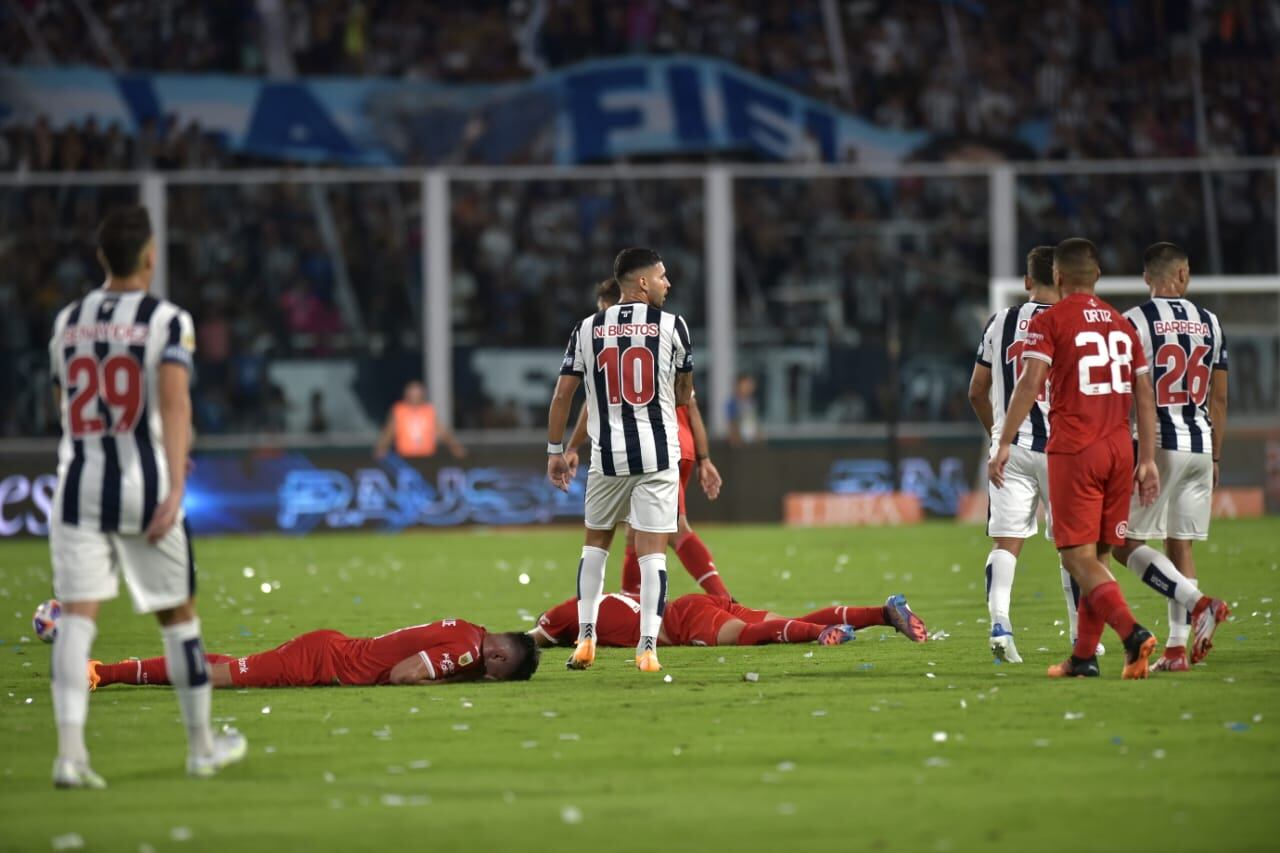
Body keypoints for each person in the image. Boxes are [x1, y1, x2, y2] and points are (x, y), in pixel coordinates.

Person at [46, 206, 245, 789]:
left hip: (77, 483)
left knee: (77, 620)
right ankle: (202, 747)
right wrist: (177, 482)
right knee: (178, 619)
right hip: (145, 487)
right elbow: (176, 402)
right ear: (151, 256)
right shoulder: (165, 319)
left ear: (102, 257)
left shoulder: (66, 321)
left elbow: (63, 402)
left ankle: (69, 755)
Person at [990, 237, 1158, 679]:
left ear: (1058, 277)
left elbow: (1029, 383)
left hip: (1075, 448)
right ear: (1097, 275)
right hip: (1121, 448)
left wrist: (1004, 441)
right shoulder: (1123, 325)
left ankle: (1131, 633)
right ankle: (1084, 656)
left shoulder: (1052, 321)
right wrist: (1148, 459)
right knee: (1098, 558)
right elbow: (1145, 391)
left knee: (1074, 557)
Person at [546, 248, 712, 673]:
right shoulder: (673, 326)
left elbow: (564, 395)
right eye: (661, 276)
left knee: (595, 546)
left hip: (606, 459)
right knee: (653, 553)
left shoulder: (587, 328)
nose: (667, 284)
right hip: (658, 458)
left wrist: (555, 452)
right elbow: (683, 392)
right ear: (642, 283)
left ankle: (586, 637)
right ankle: (647, 646)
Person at [564, 279, 728, 599]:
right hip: (678, 443)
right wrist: (704, 458)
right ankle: (630, 601)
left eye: (603, 311)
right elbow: (690, 402)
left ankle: (723, 599)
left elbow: (590, 404)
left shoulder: (611, 346)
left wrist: (570, 446)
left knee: (674, 529)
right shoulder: (661, 338)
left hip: (650, 445)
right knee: (636, 532)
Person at [1109, 243, 1231, 672]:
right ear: (1183, 273)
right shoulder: (1211, 323)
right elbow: (1219, 398)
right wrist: (1215, 457)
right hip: (1200, 445)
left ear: (1147, 279)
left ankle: (1199, 604)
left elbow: (1123, 392)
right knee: (1179, 544)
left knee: (1123, 543)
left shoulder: (1132, 322)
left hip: (1156, 445)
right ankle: (1178, 651)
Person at [969, 246, 1066, 663]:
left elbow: (976, 389)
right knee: (1074, 546)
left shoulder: (1000, 321)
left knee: (1005, 543)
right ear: (1061, 278)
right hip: (1062, 448)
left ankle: (1000, 624)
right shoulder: (1070, 322)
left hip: (1011, 447)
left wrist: (998, 434)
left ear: (1027, 282)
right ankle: (1085, 635)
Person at [89, 620, 539, 688]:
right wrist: (458, 680)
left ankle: (119, 667)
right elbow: (404, 674)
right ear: (498, 658)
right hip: (321, 661)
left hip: (329, 649)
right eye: (497, 674)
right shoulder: (465, 653)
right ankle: (103, 673)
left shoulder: (467, 629)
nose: (488, 677)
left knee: (222, 667)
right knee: (220, 678)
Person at [529, 591, 927, 649]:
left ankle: (823, 632)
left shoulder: (565, 614)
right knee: (785, 620)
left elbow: (532, 640)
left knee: (750, 636)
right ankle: (883, 612)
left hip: (681, 620)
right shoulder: (605, 596)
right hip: (694, 601)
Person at [374, 380, 466, 459]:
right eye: (412, 394)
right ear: (407, 395)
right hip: (405, 457)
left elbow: (442, 432)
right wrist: (382, 448)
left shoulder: (428, 410)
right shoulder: (399, 411)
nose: (415, 397)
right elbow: (389, 432)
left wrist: (455, 447)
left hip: (427, 457)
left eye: (417, 394)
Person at [726, 373, 761, 446]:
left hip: (752, 443)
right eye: (745, 385)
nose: (749, 387)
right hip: (739, 444)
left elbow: (754, 423)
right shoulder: (732, 404)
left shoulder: (752, 403)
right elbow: (732, 424)